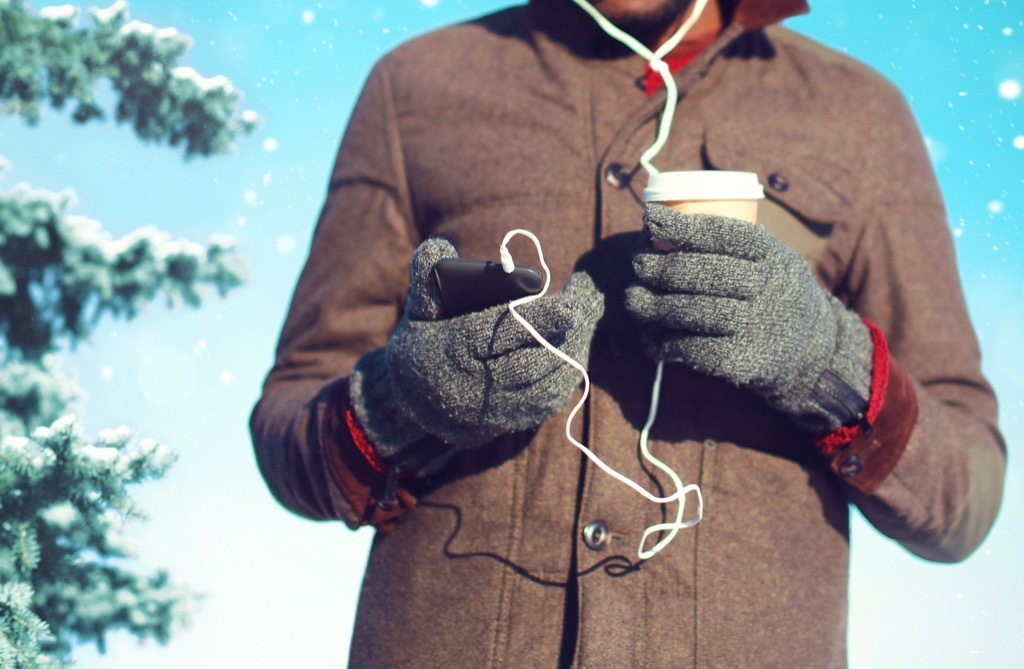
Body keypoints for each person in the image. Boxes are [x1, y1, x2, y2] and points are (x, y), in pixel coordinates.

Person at [249, 0, 1007, 665]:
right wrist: (403, 401)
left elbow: (965, 499)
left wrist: (823, 359)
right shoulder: (412, 86)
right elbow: (287, 423)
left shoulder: (861, 112)